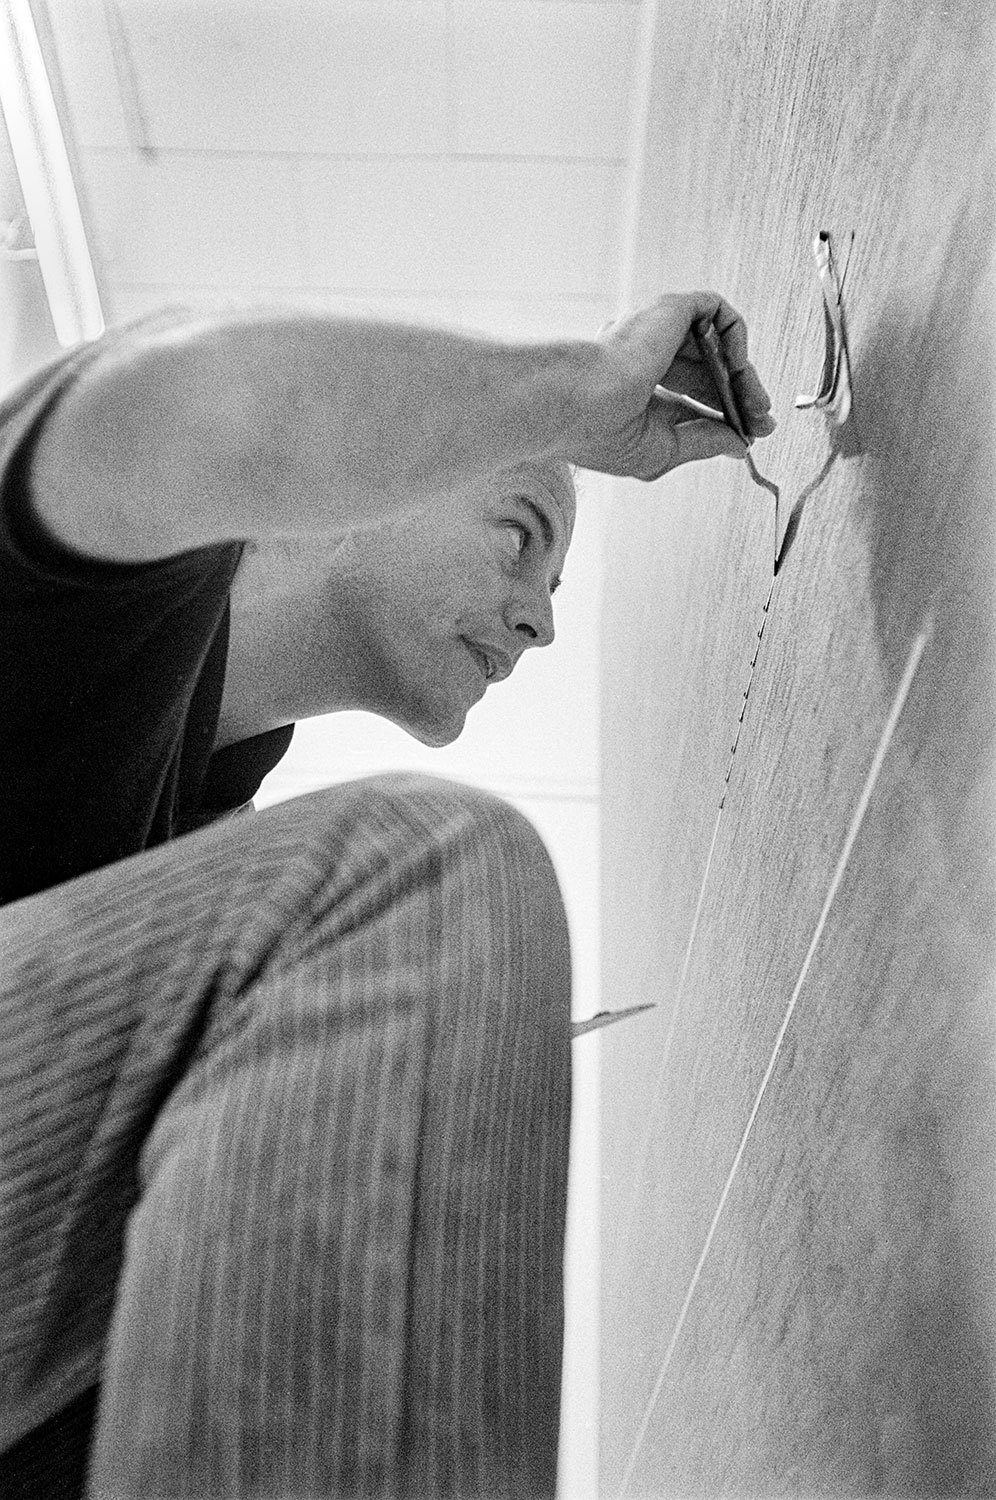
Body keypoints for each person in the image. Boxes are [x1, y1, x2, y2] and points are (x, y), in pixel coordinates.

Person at [0, 292, 774, 1498]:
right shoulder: (106, 590)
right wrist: (581, 387)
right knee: (423, 873)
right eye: (522, 533)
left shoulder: (204, 839)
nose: (544, 621)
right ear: (330, 514)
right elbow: (218, 404)